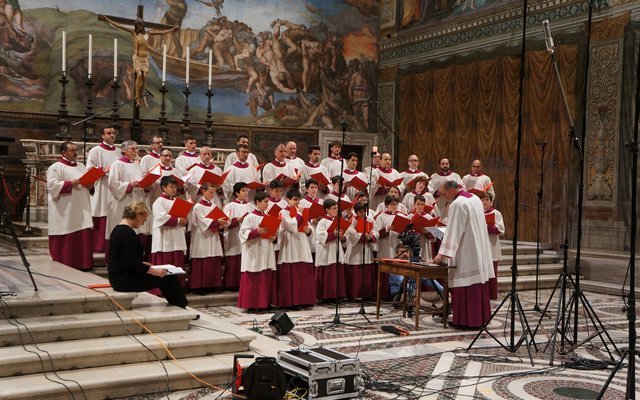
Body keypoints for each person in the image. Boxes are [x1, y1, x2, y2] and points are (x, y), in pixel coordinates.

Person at [433, 180, 494, 329]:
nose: (444, 197)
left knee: (464, 281)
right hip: (477, 248)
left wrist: (442, 253)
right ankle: (480, 318)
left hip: (466, 250)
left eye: (444, 193)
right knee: (477, 282)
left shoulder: (457, 204)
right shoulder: (474, 198)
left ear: (452, 190)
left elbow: (454, 230)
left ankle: (467, 320)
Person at [108, 201, 188, 308]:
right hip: (124, 280)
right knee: (168, 277)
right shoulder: (128, 233)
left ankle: (178, 307)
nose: (142, 223)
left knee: (166, 276)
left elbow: (121, 257)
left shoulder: (117, 229)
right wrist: (153, 271)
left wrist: (143, 263)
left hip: (117, 278)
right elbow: (130, 261)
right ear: (138, 215)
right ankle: (182, 308)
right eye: (144, 220)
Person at [99, 15, 179, 107]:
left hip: (145, 59)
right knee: (139, 76)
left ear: (142, 25)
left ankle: (140, 96)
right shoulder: (134, 33)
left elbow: (161, 32)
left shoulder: (148, 34)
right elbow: (120, 26)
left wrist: (172, 29)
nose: (138, 26)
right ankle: (137, 99)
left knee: (144, 79)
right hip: (137, 58)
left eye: (139, 25)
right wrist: (108, 20)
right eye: (137, 25)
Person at [46, 141, 93, 270]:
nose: (75, 152)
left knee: (83, 229)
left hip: (81, 205)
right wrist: (72, 183)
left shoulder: (81, 166)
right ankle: (65, 261)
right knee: (68, 231)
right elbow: (52, 186)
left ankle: (83, 263)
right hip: (65, 208)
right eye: (72, 150)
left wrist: (91, 182)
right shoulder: (56, 167)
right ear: (64, 152)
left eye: (76, 150)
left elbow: (88, 185)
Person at [106, 140, 149, 254]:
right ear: (124, 150)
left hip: (137, 198)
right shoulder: (117, 164)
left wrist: (145, 184)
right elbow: (112, 184)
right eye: (132, 149)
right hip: (122, 201)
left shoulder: (137, 165)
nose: (135, 151)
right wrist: (129, 185)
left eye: (136, 149)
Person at [276, 189, 316, 308]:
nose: (297, 202)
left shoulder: (303, 212)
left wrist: (309, 230)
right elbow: (290, 226)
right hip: (290, 245)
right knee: (292, 273)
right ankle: (291, 301)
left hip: (302, 244)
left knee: (303, 273)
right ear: (288, 200)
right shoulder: (283, 212)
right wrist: (298, 214)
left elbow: (309, 226)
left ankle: (305, 300)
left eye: (298, 199)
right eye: (294, 199)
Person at [238, 190, 278, 311]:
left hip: (266, 250)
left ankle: (265, 303)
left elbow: (274, 233)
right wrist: (256, 231)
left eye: (268, 202)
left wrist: (274, 237)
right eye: (265, 202)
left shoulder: (269, 217)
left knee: (265, 275)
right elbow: (243, 233)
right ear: (257, 202)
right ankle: (252, 304)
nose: (267, 204)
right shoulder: (250, 217)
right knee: (253, 275)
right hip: (253, 251)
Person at [86, 126, 120, 253]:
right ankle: (99, 245)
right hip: (101, 186)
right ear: (102, 136)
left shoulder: (119, 151)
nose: (112, 135)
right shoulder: (95, 151)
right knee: (101, 213)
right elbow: (89, 169)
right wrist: (104, 170)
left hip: (115, 188)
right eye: (109, 133)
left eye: (113, 133)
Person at [190, 182, 229, 293]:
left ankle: (213, 285)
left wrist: (222, 223)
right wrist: (216, 222)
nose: (212, 195)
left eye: (214, 192)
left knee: (214, 258)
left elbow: (220, 219)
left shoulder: (214, 206)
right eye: (211, 192)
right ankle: (200, 287)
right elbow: (202, 221)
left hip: (213, 234)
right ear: (203, 191)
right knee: (203, 259)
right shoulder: (198, 206)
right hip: (202, 236)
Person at [150, 176, 188, 277]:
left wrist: (184, 221)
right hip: (165, 237)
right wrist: (179, 220)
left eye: (175, 187)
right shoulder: (159, 201)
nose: (174, 189)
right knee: (165, 261)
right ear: (163, 187)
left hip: (177, 236)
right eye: (171, 187)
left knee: (177, 260)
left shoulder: (178, 201)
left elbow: (182, 216)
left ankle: (179, 285)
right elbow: (161, 218)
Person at [223, 182, 255, 290]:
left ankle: (243, 283)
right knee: (233, 258)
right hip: (233, 235)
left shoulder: (251, 206)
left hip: (246, 237)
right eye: (243, 191)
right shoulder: (229, 206)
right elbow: (224, 222)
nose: (246, 193)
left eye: (247, 190)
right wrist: (235, 220)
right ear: (236, 193)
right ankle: (232, 284)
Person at [315, 199, 347, 301]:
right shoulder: (322, 222)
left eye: (337, 208)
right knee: (328, 273)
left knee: (337, 271)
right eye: (334, 208)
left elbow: (344, 237)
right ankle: (326, 296)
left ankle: (337, 294)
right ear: (327, 210)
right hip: (327, 250)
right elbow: (320, 236)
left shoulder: (339, 221)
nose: (336, 210)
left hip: (336, 248)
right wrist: (333, 234)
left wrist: (342, 237)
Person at [344, 202, 376, 298]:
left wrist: (370, 236)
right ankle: (354, 294)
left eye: (364, 212)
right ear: (356, 212)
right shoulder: (352, 220)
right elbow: (350, 232)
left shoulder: (369, 220)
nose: (363, 214)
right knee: (356, 274)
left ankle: (366, 294)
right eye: (361, 212)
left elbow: (375, 230)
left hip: (366, 248)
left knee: (366, 271)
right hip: (355, 250)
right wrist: (362, 235)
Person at [479, 191, 504, 300]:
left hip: (491, 245)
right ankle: (481, 294)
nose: (484, 202)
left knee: (492, 271)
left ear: (491, 202)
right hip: (480, 245)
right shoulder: (477, 213)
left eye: (487, 200)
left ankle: (492, 294)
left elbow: (500, 229)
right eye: (482, 199)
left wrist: (487, 226)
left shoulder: (496, 213)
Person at [428, 157, 463, 223]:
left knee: (452, 221)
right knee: (440, 220)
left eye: (447, 164)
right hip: (440, 202)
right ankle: (440, 233)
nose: (445, 165)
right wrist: (437, 192)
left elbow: (462, 188)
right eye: (443, 164)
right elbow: (429, 188)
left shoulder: (455, 176)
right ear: (439, 165)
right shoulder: (434, 176)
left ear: (449, 165)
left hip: (453, 202)